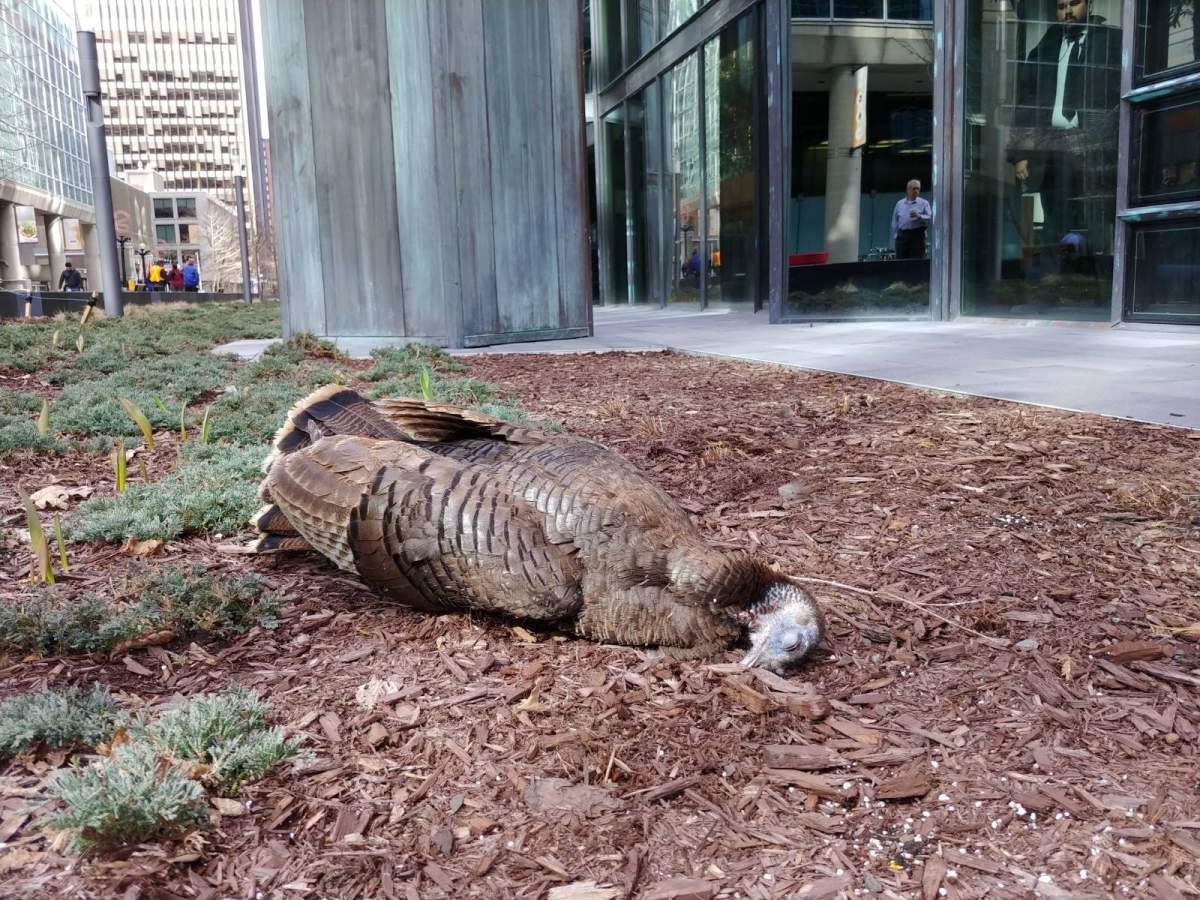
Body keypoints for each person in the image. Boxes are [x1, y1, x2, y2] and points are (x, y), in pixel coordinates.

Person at [1008, 0, 1121, 252]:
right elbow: (1027, 102)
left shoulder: (1111, 41)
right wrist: (1020, 154)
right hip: (1053, 151)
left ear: (1089, 4)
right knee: (1057, 224)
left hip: (1095, 148)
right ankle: (1063, 269)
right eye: (1061, 6)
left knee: (1095, 222)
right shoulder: (1045, 49)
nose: (1067, 12)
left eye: (1074, 4)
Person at [891, 180, 932, 260]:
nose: (916, 191)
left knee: (917, 261)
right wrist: (896, 235)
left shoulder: (924, 203)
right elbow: (895, 221)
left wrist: (919, 216)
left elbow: (930, 218)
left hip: (917, 235)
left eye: (918, 189)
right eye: (914, 189)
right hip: (903, 236)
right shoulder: (899, 204)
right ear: (908, 190)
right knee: (901, 261)